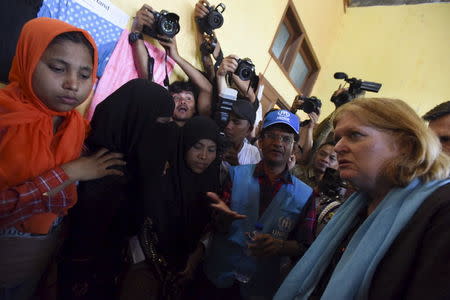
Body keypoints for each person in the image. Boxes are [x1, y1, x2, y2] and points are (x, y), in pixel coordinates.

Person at [275, 98, 450, 300]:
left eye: (355, 135)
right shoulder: (360, 202)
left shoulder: (440, 211)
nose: (338, 147)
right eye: (338, 137)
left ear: (406, 145)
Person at [0, 18, 125, 300]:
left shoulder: (75, 126)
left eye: (85, 75)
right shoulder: (4, 117)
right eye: (58, 68)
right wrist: (67, 174)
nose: (72, 84)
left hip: (35, 263)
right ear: (28, 59)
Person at [59, 79, 175, 300]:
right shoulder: (97, 172)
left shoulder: (128, 165)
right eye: (161, 123)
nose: (164, 134)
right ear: (134, 122)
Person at [202, 109, 315, 300]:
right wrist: (223, 219)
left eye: (286, 139)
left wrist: (280, 246)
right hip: (218, 278)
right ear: (260, 141)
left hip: (259, 288)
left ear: (293, 147)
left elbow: (304, 246)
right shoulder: (236, 174)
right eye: (272, 136)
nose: (278, 143)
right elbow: (216, 226)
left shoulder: (306, 195)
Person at [117, 116, 221, 300]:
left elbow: (209, 227)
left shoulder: (212, 184)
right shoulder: (161, 177)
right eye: (197, 146)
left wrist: (196, 255)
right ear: (184, 144)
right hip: (145, 267)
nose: (204, 156)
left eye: (211, 149)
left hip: (183, 275)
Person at [130, 4, 213, 127]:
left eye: (189, 98)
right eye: (176, 98)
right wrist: (136, 32)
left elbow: (207, 89)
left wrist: (175, 56)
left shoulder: (199, 131)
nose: (182, 102)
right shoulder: (158, 121)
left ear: (196, 108)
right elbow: (148, 82)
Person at [223, 100, 261, 166]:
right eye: (228, 119)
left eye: (236, 122)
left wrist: (236, 167)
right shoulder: (214, 143)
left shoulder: (252, 153)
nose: (228, 126)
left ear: (249, 130)